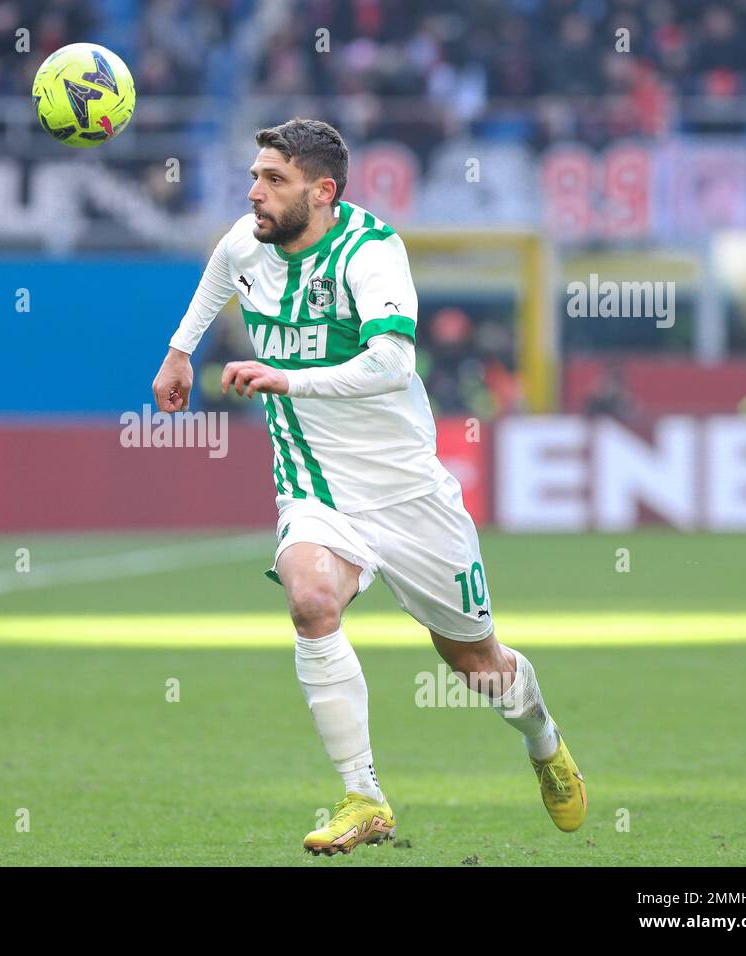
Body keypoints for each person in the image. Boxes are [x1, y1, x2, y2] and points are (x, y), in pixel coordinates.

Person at [151, 118, 585, 855]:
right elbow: (216, 279)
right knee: (311, 601)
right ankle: (364, 796)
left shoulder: (372, 251)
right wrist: (179, 353)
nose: (255, 192)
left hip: (408, 490)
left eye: (273, 181)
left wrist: (286, 378)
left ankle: (543, 741)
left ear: (322, 193)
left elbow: (390, 365)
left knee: (477, 665)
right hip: (315, 485)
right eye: (255, 176)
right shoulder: (243, 242)